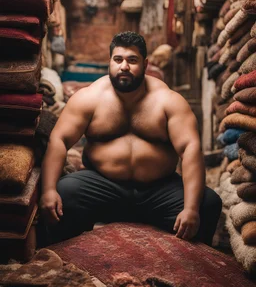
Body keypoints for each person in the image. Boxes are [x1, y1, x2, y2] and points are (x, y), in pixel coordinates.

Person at [39, 31, 222, 246]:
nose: (124, 66)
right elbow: (59, 140)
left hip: (157, 191)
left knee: (208, 203)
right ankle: (69, 260)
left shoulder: (168, 101)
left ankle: (188, 267)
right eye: (118, 59)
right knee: (63, 195)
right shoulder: (89, 97)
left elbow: (190, 149)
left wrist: (190, 209)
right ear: (110, 62)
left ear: (145, 64)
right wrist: (49, 190)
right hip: (103, 187)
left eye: (132, 60)